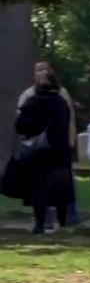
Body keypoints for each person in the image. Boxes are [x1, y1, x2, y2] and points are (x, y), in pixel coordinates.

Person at [2, 65, 76, 234]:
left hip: (38, 151)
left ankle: (39, 224)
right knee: (60, 188)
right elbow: (66, 123)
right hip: (59, 150)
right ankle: (62, 223)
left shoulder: (32, 102)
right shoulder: (60, 101)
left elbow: (20, 126)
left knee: (38, 188)